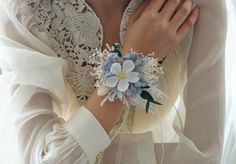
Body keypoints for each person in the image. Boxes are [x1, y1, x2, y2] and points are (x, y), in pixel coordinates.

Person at [0, 0, 227, 163]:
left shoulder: (197, 6)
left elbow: (204, 157)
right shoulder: (25, 10)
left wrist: (81, 150)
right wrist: (133, 60)